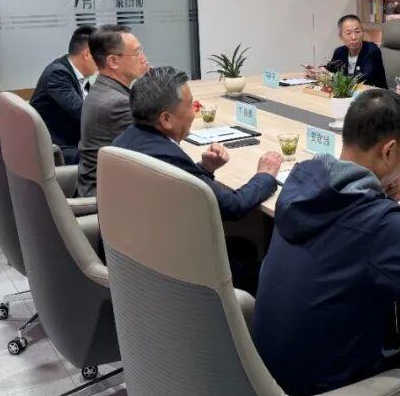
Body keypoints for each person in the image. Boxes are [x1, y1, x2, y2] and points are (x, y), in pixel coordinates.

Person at [253, 89, 400, 396]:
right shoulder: (381, 225)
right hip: (331, 386)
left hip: (265, 375)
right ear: (388, 151)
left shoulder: (304, 180)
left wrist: (377, 194)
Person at [112, 66, 281, 291]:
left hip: (141, 256)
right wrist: (265, 176)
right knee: (276, 277)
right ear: (166, 119)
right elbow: (234, 206)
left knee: (243, 247)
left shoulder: (127, 139)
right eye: (191, 105)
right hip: (180, 275)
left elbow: (182, 184)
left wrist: (205, 168)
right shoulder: (166, 157)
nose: (194, 111)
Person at [76, 24, 149, 197]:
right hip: (108, 198)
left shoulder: (101, 87)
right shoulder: (118, 104)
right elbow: (155, 151)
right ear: (113, 61)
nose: (143, 58)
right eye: (137, 53)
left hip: (96, 185)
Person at [29, 25, 96, 165]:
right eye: (102, 55)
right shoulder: (58, 74)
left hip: (69, 137)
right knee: (106, 158)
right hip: (55, 147)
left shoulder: (74, 73)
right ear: (87, 55)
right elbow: (82, 111)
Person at [305, 14, 387, 88]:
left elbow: (362, 81)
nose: (354, 37)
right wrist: (318, 72)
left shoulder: (372, 51)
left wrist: (331, 76)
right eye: (348, 33)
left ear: (362, 33)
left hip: (375, 96)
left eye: (357, 32)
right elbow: (331, 69)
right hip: (349, 96)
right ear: (340, 36)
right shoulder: (340, 52)